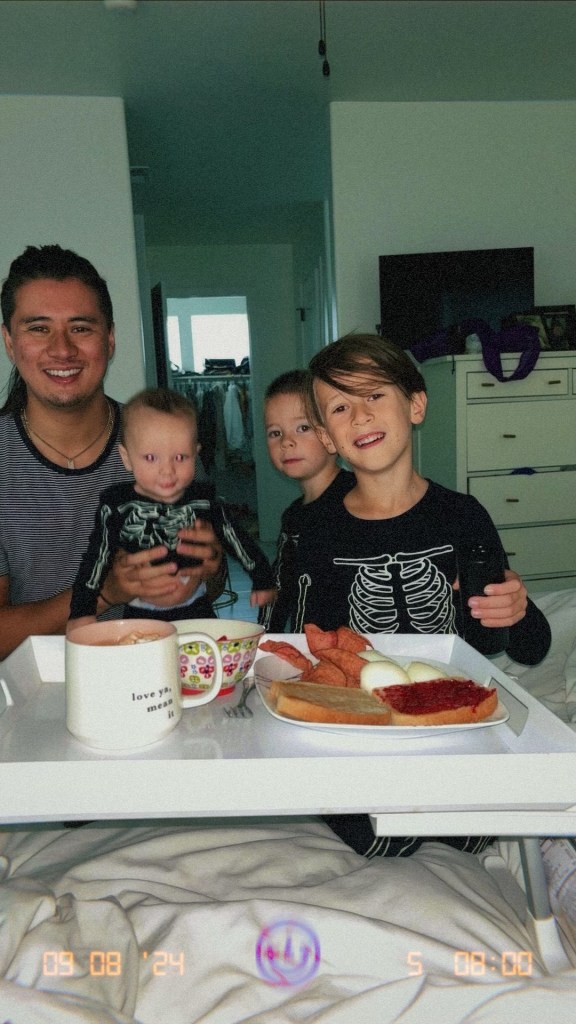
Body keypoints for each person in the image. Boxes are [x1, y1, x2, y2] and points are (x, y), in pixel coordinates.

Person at [293, 333, 551, 858]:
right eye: (340, 407)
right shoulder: (316, 530)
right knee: (381, 838)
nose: (361, 415)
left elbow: (528, 648)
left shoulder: (463, 516)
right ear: (326, 436)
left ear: (415, 405)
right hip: (361, 728)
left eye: (374, 394)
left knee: (480, 828)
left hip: (451, 720)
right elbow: (297, 646)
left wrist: (516, 610)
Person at [0, 244, 223, 660]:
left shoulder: (162, 439)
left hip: (164, 674)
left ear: (110, 338)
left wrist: (205, 565)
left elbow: (211, 581)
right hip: (40, 689)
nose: (62, 349)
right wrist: (103, 593)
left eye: (81, 328)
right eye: (39, 328)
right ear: (10, 343)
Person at [68, 387, 276, 628]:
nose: (167, 470)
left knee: (205, 650)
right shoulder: (117, 505)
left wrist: (263, 579)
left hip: (197, 608)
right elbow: (96, 556)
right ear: (126, 457)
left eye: (180, 457)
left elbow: (237, 539)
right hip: (139, 613)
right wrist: (82, 610)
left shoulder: (203, 500)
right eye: (150, 458)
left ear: (195, 454)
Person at [259, 369, 354, 631]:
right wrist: (263, 641)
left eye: (303, 428)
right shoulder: (293, 516)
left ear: (331, 433)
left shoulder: (357, 501)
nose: (287, 442)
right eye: (275, 433)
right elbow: (281, 587)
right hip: (305, 646)